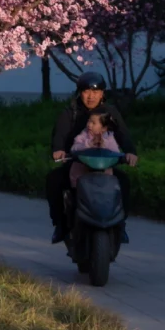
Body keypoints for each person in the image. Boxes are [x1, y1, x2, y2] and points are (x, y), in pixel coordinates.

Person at [45, 73, 137, 243]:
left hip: (104, 164)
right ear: (80, 92)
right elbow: (59, 136)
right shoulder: (70, 112)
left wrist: (130, 152)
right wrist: (58, 150)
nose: (91, 96)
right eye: (86, 91)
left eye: (96, 92)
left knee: (123, 182)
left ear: (103, 93)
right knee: (54, 180)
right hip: (76, 163)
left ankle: (120, 225)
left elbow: (123, 135)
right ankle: (60, 225)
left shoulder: (110, 112)